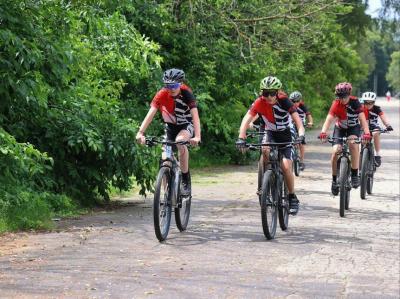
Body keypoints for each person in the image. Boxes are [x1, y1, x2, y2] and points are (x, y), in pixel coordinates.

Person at [236, 76, 305, 215]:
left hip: (286, 132)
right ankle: (268, 180)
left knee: (286, 166)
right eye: (265, 93)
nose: (268, 97)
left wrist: (301, 135)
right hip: (270, 131)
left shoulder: (284, 101)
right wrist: (241, 137)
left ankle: (292, 197)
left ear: (277, 92)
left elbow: (298, 121)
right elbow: (246, 118)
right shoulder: (259, 102)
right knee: (265, 150)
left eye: (272, 93)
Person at [136, 68, 201, 196]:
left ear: (180, 84)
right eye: (168, 86)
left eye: (175, 85)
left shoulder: (186, 93)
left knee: (179, 142)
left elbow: (195, 116)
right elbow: (151, 114)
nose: (171, 89)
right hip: (170, 126)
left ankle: (185, 178)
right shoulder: (161, 93)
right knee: (165, 159)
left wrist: (197, 136)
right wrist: (140, 132)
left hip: (186, 124)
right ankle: (167, 194)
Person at [318, 82, 371, 196]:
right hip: (340, 128)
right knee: (335, 151)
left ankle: (354, 173)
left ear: (349, 94)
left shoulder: (355, 102)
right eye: (339, 97)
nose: (342, 99)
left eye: (344, 97)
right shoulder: (336, 104)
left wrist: (366, 133)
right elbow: (329, 119)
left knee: (353, 144)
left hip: (353, 128)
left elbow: (362, 119)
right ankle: (334, 180)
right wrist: (323, 132)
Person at [360, 91, 393, 166]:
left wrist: (388, 126)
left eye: (370, 103)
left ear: (374, 102)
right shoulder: (360, 109)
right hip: (363, 127)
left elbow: (383, 118)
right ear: (363, 102)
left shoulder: (377, 109)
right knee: (360, 143)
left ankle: (377, 155)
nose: (368, 105)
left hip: (374, 126)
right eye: (366, 103)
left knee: (376, 133)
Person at [289, 91, 313, 170]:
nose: (295, 103)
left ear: (300, 101)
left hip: (300, 123)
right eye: (293, 101)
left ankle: (302, 162)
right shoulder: (288, 105)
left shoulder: (302, 106)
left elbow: (308, 115)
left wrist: (310, 122)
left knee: (301, 143)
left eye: (297, 101)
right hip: (291, 122)